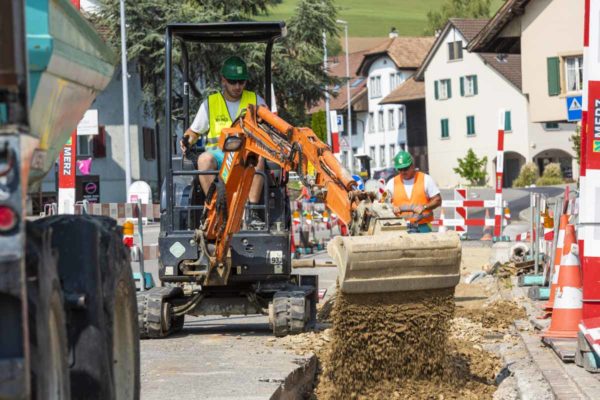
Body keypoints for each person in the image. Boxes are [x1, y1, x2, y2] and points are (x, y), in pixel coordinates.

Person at [180, 56, 267, 224]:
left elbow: (270, 128)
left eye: (241, 82)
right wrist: (186, 141)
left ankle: (252, 212)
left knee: (259, 156)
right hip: (220, 157)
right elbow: (193, 131)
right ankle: (216, 211)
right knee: (204, 159)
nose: (237, 86)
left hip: (246, 157)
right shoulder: (210, 104)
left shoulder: (257, 101)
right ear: (223, 80)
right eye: (232, 82)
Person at [385, 151, 441, 233]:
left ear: (412, 165)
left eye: (406, 168)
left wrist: (424, 207)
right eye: (400, 169)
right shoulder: (392, 183)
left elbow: (437, 200)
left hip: (423, 226)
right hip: (399, 227)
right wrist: (391, 207)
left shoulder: (426, 179)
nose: (403, 172)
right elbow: (383, 203)